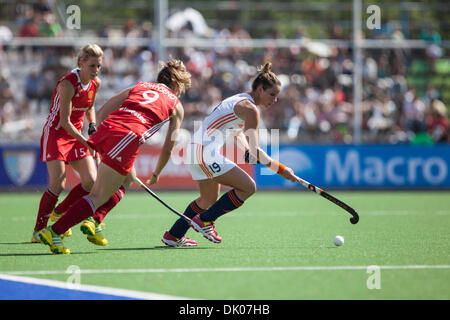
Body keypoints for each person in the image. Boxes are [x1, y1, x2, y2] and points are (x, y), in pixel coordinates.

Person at [38, 58, 192, 254]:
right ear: (177, 84)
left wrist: (104, 144)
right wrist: (156, 173)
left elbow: (101, 113)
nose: (181, 92)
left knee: (127, 179)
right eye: (182, 87)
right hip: (128, 137)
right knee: (98, 195)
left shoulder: (139, 86)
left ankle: (94, 220)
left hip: (108, 129)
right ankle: (56, 231)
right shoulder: (176, 106)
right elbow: (168, 147)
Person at [160, 62, 301, 247]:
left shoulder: (239, 100)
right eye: (272, 95)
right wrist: (281, 169)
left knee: (208, 199)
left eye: (277, 96)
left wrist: (247, 150)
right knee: (248, 187)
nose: (274, 100)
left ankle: (174, 235)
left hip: (196, 149)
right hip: (205, 152)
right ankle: (205, 221)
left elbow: (236, 133)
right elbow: (256, 150)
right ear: (260, 89)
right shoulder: (251, 110)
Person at [32, 44, 103, 243]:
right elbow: (65, 122)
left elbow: (90, 106)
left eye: (98, 66)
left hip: (76, 135)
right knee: (58, 183)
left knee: (91, 181)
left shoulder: (96, 83)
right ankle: (38, 230)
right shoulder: (68, 84)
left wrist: (93, 127)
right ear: (81, 63)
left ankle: (60, 212)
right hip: (56, 134)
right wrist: (89, 143)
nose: (96, 70)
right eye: (92, 66)